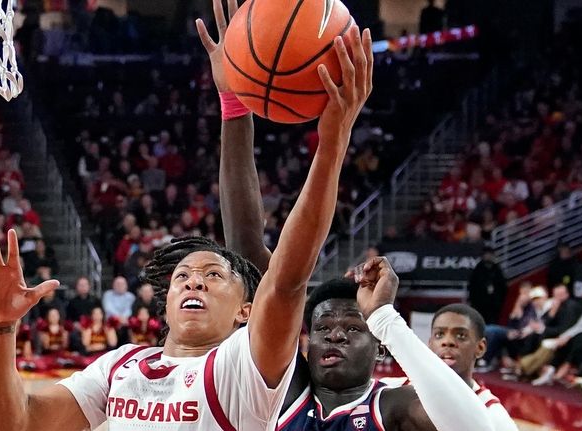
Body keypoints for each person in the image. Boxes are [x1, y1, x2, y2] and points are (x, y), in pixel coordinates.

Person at [0, 0, 370, 425]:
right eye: (183, 277)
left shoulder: (242, 367)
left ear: (245, 310)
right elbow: (16, 424)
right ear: (166, 301)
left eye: (214, 275)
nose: (195, 280)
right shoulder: (122, 366)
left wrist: (332, 142)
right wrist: (1, 329)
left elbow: (285, 277)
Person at [204, 2, 496, 430]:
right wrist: (234, 102)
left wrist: (384, 318)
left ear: (378, 349)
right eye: (323, 328)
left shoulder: (394, 407)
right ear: (305, 342)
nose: (335, 334)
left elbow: (476, 427)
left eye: (353, 329)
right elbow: (246, 249)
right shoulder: (282, 391)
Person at [385, 304, 517, 430]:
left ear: (480, 347)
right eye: (439, 335)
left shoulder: (495, 417)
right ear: (430, 344)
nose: (447, 341)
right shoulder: (389, 389)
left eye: (461, 335)